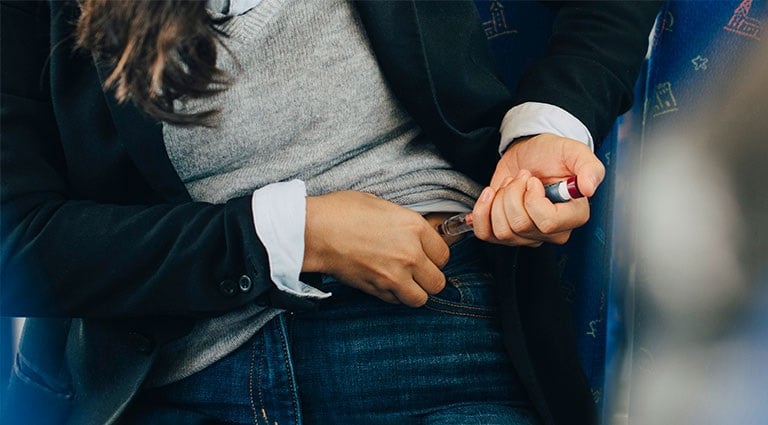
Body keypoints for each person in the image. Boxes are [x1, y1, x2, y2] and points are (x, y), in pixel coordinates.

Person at [0, 1, 661, 424]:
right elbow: (16, 240)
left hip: (433, 336)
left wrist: (547, 125)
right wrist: (291, 234)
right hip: (183, 373)